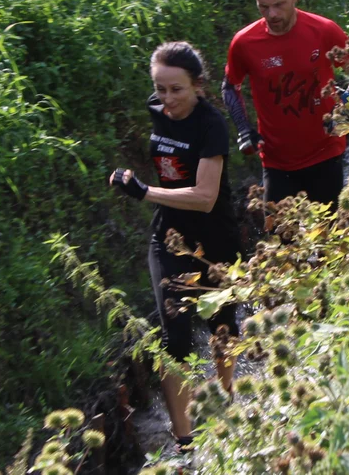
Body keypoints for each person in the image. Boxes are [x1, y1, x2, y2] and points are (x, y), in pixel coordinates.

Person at [108, 41, 240, 450]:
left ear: (198, 86)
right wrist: (129, 180)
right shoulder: (158, 109)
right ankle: (185, 441)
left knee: (223, 330)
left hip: (215, 240)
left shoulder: (210, 126)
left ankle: (228, 409)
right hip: (168, 237)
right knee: (176, 339)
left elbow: (204, 196)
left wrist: (144, 191)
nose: (166, 99)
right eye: (160, 89)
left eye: (176, 90)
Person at [223, 0, 349, 208]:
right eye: (263, 6)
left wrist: (346, 111)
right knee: (280, 241)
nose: (272, 14)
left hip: (327, 150)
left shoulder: (323, 30)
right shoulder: (244, 43)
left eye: (279, 5)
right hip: (277, 160)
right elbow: (230, 86)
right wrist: (243, 128)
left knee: (332, 238)